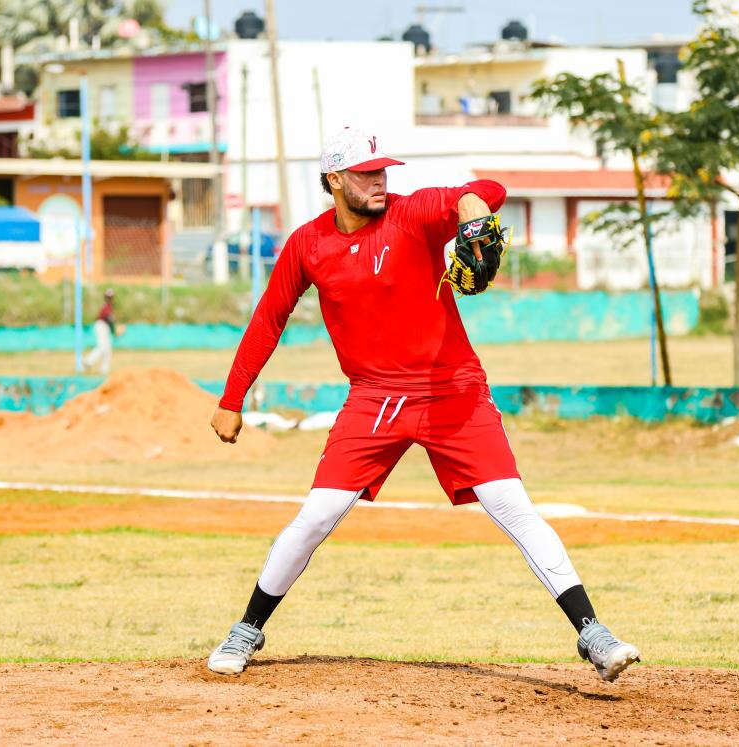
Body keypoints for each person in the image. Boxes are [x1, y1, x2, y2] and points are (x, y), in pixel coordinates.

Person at [206, 127, 640, 683]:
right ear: (335, 180)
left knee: (512, 505)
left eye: (383, 170)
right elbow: (268, 320)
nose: (380, 180)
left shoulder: (412, 215)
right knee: (315, 516)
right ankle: (247, 630)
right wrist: (232, 399)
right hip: (374, 398)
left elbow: (484, 190)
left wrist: (473, 218)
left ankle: (594, 636)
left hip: (452, 392)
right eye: (366, 174)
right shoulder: (308, 245)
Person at [83, 288, 119, 375]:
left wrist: (113, 331)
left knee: (107, 349)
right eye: (108, 297)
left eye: (111, 297)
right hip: (101, 326)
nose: (110, 298)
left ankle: (104, 369)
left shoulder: (109, 306)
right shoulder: (106, 306)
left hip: (104, 326)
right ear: (106, 297)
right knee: (102, 347)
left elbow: (110, 320)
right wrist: (114, 331)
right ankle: (88, 361)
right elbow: (109, 319)